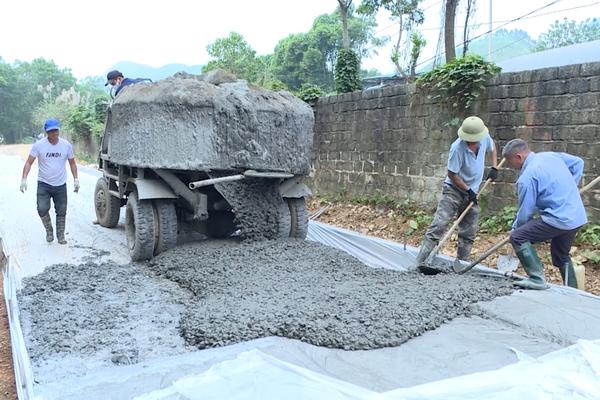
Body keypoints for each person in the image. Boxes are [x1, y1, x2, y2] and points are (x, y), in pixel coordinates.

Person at [416, 116, 498, 273]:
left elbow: (492, 146)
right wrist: (468, 190)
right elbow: (452, 174)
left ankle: (461, 265)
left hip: (473, 190)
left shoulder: (484, 137)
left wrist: (494, 167)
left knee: (469, 230)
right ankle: (420, 261)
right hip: (453, 190)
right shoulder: (457, 148)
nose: (472, 142)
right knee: (439, 224)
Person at [502, 139, 587, 290]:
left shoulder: (527, 178)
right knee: (561, 255)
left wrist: (515, 230)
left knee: (518, 237)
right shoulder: (550, 156)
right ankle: (572, 290)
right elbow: (578, 163)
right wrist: (571, 188)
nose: (510, 166)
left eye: (510, 162)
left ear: (519, 157)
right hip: (577, 216)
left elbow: (525, 213)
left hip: (558, 218)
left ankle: (536, 279)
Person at [20, 118, 80, 245]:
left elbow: (72, 163)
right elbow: (29, 162)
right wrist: (24, 179)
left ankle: (60, 235)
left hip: (60, 184)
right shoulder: (39, 145)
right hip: (44, 184)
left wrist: (76, 179)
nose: (54, 134)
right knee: (42, 208)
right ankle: (49, 230)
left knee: (61, 211)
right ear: (46, 132)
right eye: (51, 131)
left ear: (58, 130)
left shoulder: (66, 145)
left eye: (55, 131)